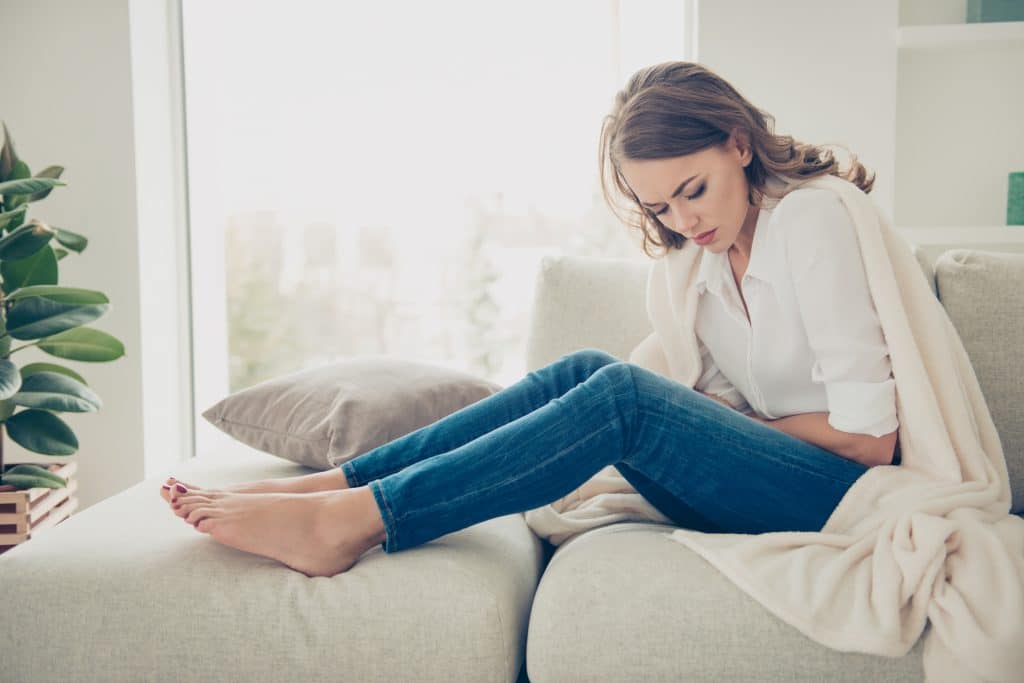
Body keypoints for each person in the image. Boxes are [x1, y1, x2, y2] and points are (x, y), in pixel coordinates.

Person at [159, 61, 899, 579]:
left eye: (693, 189)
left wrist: (726, 429)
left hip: (834, 492)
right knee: (590, 371)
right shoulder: (703, 261)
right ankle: (335, 485)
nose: (683, 220)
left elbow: (870, 439)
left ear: (739, 142)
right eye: (660, 207)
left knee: (624, 398)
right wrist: (713, 418)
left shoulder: (812, 220)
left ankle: (355, 521)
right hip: (763, 476)